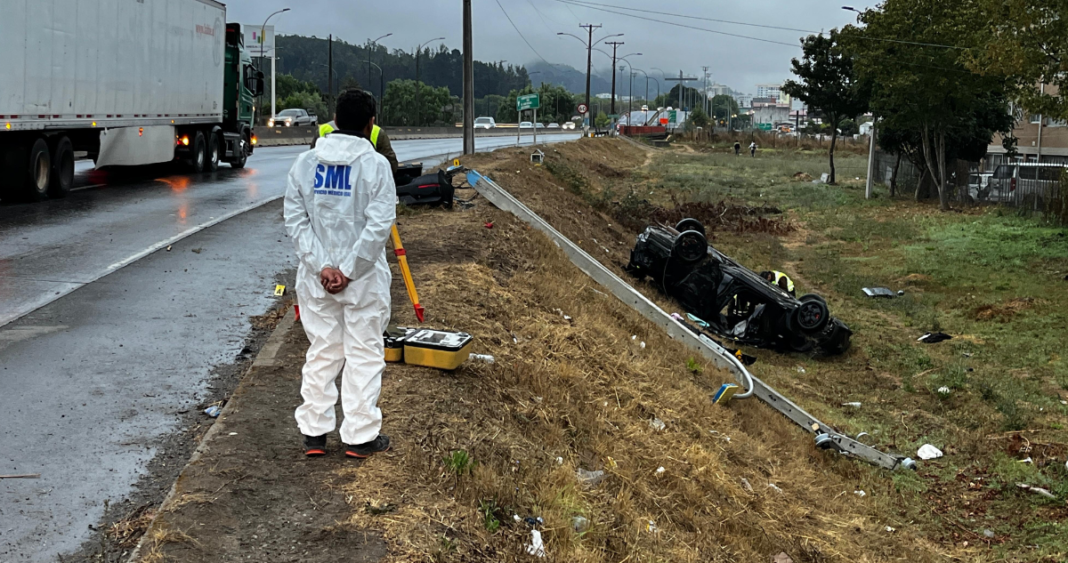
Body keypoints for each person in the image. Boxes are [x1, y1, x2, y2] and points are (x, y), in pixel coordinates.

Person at [285, 89, 397, 459]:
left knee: (323, 350)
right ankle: (360, 437)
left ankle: (313, 434)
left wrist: (323, 267)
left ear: (334, 120)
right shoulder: (376, 166)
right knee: (364, 352)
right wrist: (348, 271)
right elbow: (379, 226)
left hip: (317, 281)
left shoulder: (304, 163)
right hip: (363, 281)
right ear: (370, 124)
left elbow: (296, 221)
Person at [314, 111, 398, 173]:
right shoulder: (377, 133)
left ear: (335, 119)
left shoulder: (322, 130)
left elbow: (311, 167)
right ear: (371, 122)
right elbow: (391, 167)